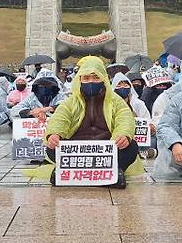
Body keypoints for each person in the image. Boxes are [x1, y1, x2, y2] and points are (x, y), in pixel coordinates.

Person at [44, 56, 139, 189]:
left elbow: (124, 118)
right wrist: (54, 135)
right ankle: (67, 171)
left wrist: (123, 135)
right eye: (86, 78)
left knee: (131, 147)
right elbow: (60, 118)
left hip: (107, 150)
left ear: (104, 79)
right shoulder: (71, 101)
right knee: (51, 147)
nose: (91, 82)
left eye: (96, 77)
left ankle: (113, 172)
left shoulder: (116, 101)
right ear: (80, 79)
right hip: (76, 151)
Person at [112, 72, 157, 158]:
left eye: (125, 85)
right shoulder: (110, 104)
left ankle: (141, 152)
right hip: (119, 137)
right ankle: (141, 153)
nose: (122, 87)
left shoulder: (138, 103)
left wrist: (150, 127)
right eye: (119, 85)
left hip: (139, 139)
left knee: (154, 140)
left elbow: (148, 121)